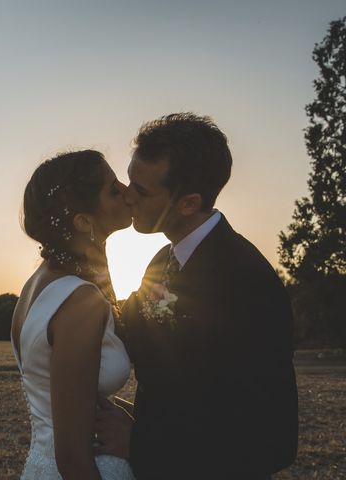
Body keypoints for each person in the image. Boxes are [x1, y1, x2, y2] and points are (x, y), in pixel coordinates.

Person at [95, 113, 299, 479]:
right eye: (129, 181)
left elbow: (272, 440)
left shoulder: (249, 282)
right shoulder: (160, 261)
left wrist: (141, 442)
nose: (127, 195)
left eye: (141, 190)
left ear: (188, 203)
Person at [11, 150, 135, 479]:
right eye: (113, 189)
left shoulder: (34, 286)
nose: (127, 190)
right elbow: (72, 459)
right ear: (83, 221)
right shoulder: (80, 301)